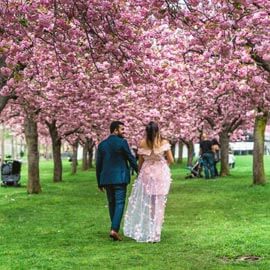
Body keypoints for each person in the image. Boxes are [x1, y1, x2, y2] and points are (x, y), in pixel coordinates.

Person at [123, 122, 174, 243]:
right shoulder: (164, 143)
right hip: (160, 174)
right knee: (159, 203)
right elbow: (171, 160)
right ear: (158, 130)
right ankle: (156, 233)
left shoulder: (142, 143)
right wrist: (162, 165)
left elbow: (140, 164)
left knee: (149, 203)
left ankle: (150, 230)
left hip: (146, 174)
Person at [96, 121, 138, 241]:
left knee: (111, 203)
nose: (124, 132)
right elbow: (131, 158)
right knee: (119, 203)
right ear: (115, 130)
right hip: (120, 178)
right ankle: (114, 230)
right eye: (122, 129)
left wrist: (99, 181)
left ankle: (113, 228)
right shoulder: (122, 142)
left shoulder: (102, 145)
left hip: (106, 179)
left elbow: (99, 165)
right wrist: (139, 171)